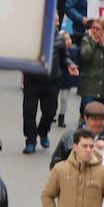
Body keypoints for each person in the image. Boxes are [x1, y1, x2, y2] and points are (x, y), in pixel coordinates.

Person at [22, 21, 75, 153]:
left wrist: (70, 64)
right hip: (32, 80)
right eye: (52, 19)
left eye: (56, 20)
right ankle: (30, 140)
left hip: (52, 82)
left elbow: (64, 57)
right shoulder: (33, 36)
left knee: (50, 112)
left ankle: (43, 132)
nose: (55, 22)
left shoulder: (60, 38)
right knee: (29, 112)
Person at [50, 101, 104, 168]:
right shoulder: (69, 137)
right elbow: (56, 164)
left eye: (101, 119)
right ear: (86, 118)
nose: (98, 123)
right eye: (94, 119)